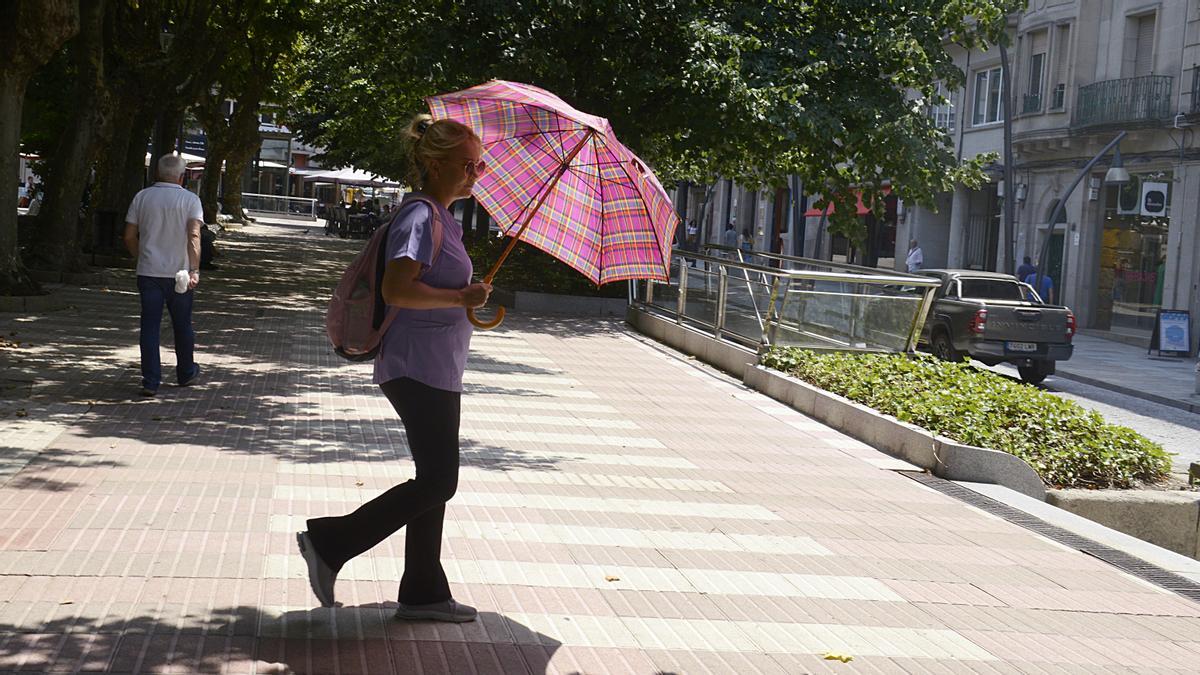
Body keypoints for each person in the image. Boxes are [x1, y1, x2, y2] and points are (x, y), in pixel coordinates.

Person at [296, 114, 492, 623]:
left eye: (481, 164)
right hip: (415, 364)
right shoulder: (421, 216)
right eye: (467, 163)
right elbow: (397, 289)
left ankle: (424, 591)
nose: (477, 173)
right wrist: (459, 295)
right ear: (434, 162)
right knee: (439, 481)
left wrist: (464, 300)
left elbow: (431, 289)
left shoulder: (441, 217)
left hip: (437, 365)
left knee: (433, 477)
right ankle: (331, 541)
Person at [122, 155, 202, 397]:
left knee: (149, 325)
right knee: (182, 324)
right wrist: (195, 269)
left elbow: (128, 236)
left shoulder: (142, 197)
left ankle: (150, 380)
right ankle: (186, 372)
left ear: (157, 173)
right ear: (182, 176)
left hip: (149, 272)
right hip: (179, 273)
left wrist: (141, 257)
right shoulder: (190, 200)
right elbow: (194, 236)